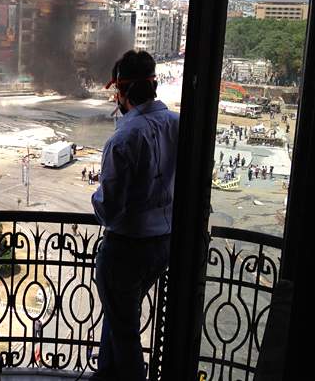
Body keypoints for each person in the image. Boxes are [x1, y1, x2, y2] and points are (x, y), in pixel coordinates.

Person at [91, 50, 179, 381]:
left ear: (122, 92)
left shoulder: (124, 137)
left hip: (125, 249)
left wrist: (95, 198)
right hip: (163, 245)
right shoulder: (177, 124)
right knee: (119, 319)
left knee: (125, 334)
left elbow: (109, 208)